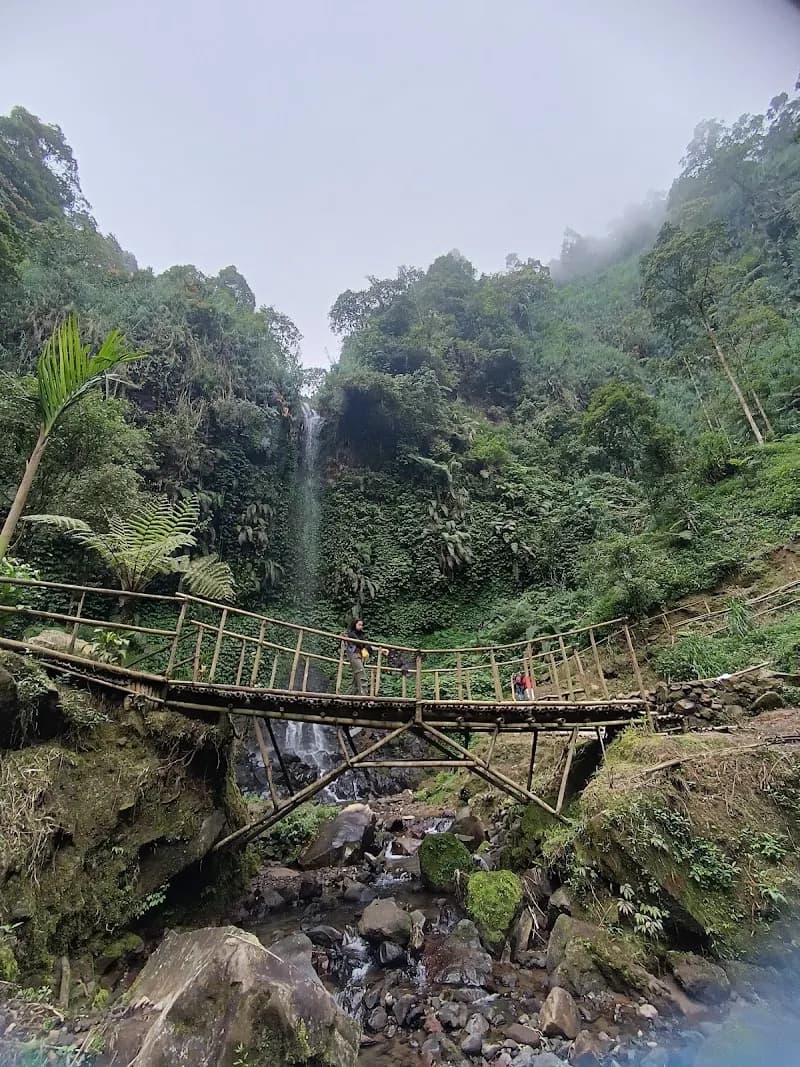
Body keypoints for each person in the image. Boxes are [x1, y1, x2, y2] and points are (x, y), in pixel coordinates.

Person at [343, 619, 373, 696]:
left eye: (362, 625)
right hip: (354, 655)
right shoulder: (351, 633)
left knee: (355, 679)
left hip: (360, 656)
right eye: (359, 625)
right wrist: (363, 644)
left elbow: (366, 645)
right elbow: (359, 643)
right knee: (361, 675)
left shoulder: (361, 635)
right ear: (355, 624)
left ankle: (347, 695)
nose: (361, 627)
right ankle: (364, 696)